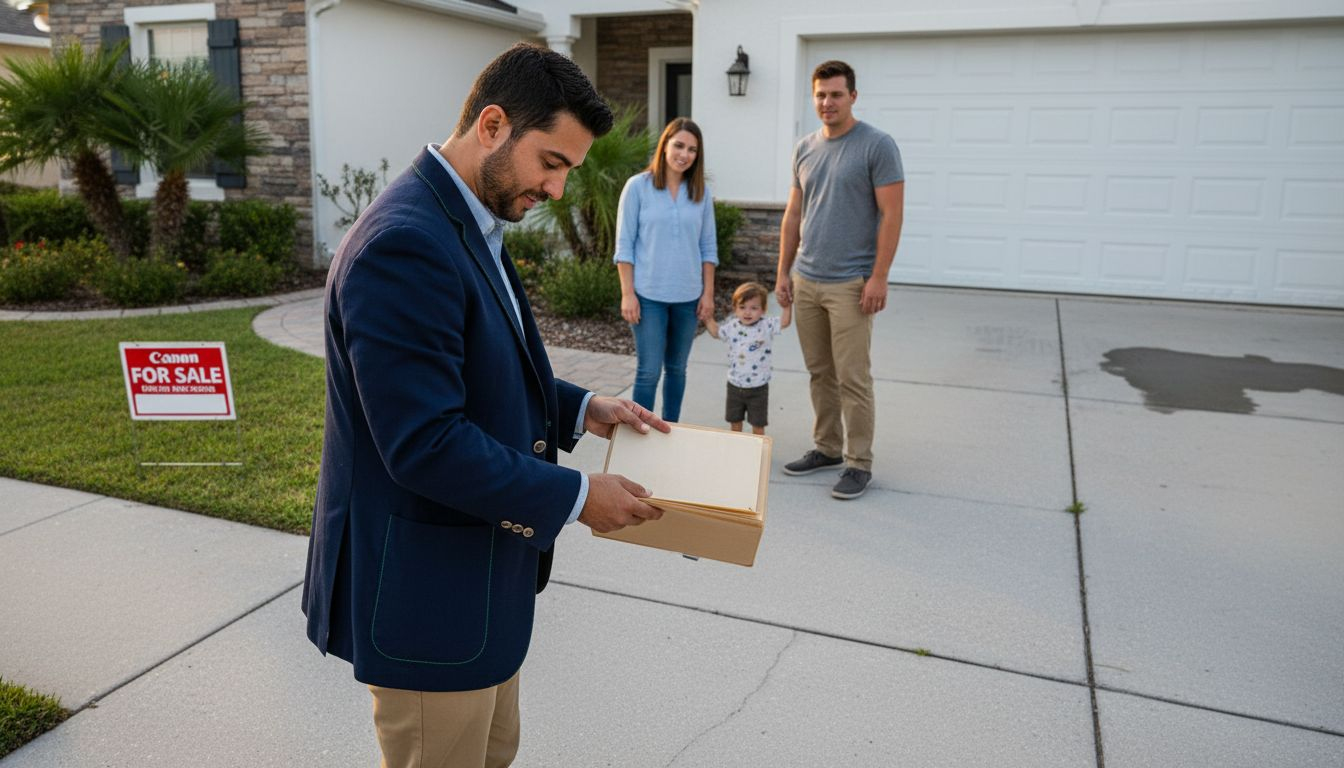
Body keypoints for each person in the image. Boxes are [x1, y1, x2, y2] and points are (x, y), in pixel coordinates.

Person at [302, 43, 670, 768]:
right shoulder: (405, 242)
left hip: (477, 584)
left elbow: (472, 370)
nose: (558, 190)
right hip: (427, 600)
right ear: (494, 124)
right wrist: (575, 495)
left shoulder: (467, 216)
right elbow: (425, 442)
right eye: (552, 163)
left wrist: (582, 408)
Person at [775, 59, 904, 500]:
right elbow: (794, 215)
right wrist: (783, 273)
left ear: (853, 96)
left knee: (853, 378)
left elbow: (892, 215)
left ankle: (859, 463)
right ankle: (827, 448)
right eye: (820, 95)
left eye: (835, 94)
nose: (827, 102)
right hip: (807, 279)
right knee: (819, 373)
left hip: (851, 283)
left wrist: (879, 278)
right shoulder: (804, 148)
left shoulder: (877, 145)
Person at [614, 117, 718, 422]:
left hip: (688, 297)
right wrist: (627, 293)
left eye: (692, 149)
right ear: (665, 146)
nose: (684, 154)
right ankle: (639, 431)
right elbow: (624, 246)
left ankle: (671, 430)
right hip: (648, 296)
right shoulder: (638, 187)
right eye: (679, 145)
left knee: (677, 369)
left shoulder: (701, 194)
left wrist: (708, 295)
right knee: (648, 371)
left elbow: (708, 249)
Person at [704, 281, 791, 435]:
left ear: (763, 310)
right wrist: (707, 319)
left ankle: (757, 452)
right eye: (742, 307)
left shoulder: (766, 325)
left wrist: (786, 307)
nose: (747, 313)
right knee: (735, 421)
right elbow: (717, 332)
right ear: (735, 309)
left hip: (758, 387)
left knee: (758, 424)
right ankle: (737, 449)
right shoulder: (732, 327)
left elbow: (784, 322)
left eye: (754, 308)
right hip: (735, 385)